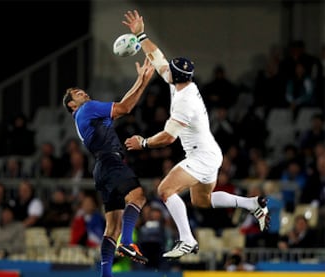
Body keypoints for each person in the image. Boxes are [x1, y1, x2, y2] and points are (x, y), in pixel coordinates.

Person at [122, 10, 270, 259]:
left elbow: (168, 138)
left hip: (202, 156)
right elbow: (158, 57)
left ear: (176, 75)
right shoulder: (180, 82)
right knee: (202, 201)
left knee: (165, 190)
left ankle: (187, 240)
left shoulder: (184, 101)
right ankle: (252, 204)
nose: (165, 69)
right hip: (209, 153)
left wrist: (143, 142)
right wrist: (141, 34)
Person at [62, 57, 155, 277]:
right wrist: (142, 81)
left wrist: (141, 81)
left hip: (100, 169)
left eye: (82, 90)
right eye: (77, 93)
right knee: (138, 197)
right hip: (110, 162)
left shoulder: (85, 116)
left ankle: (106, 274)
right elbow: (126, 107)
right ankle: (128, 242)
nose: (83, 92)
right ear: (71, 105)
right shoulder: (88, 109)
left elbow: (123, 103)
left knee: (112, 227)